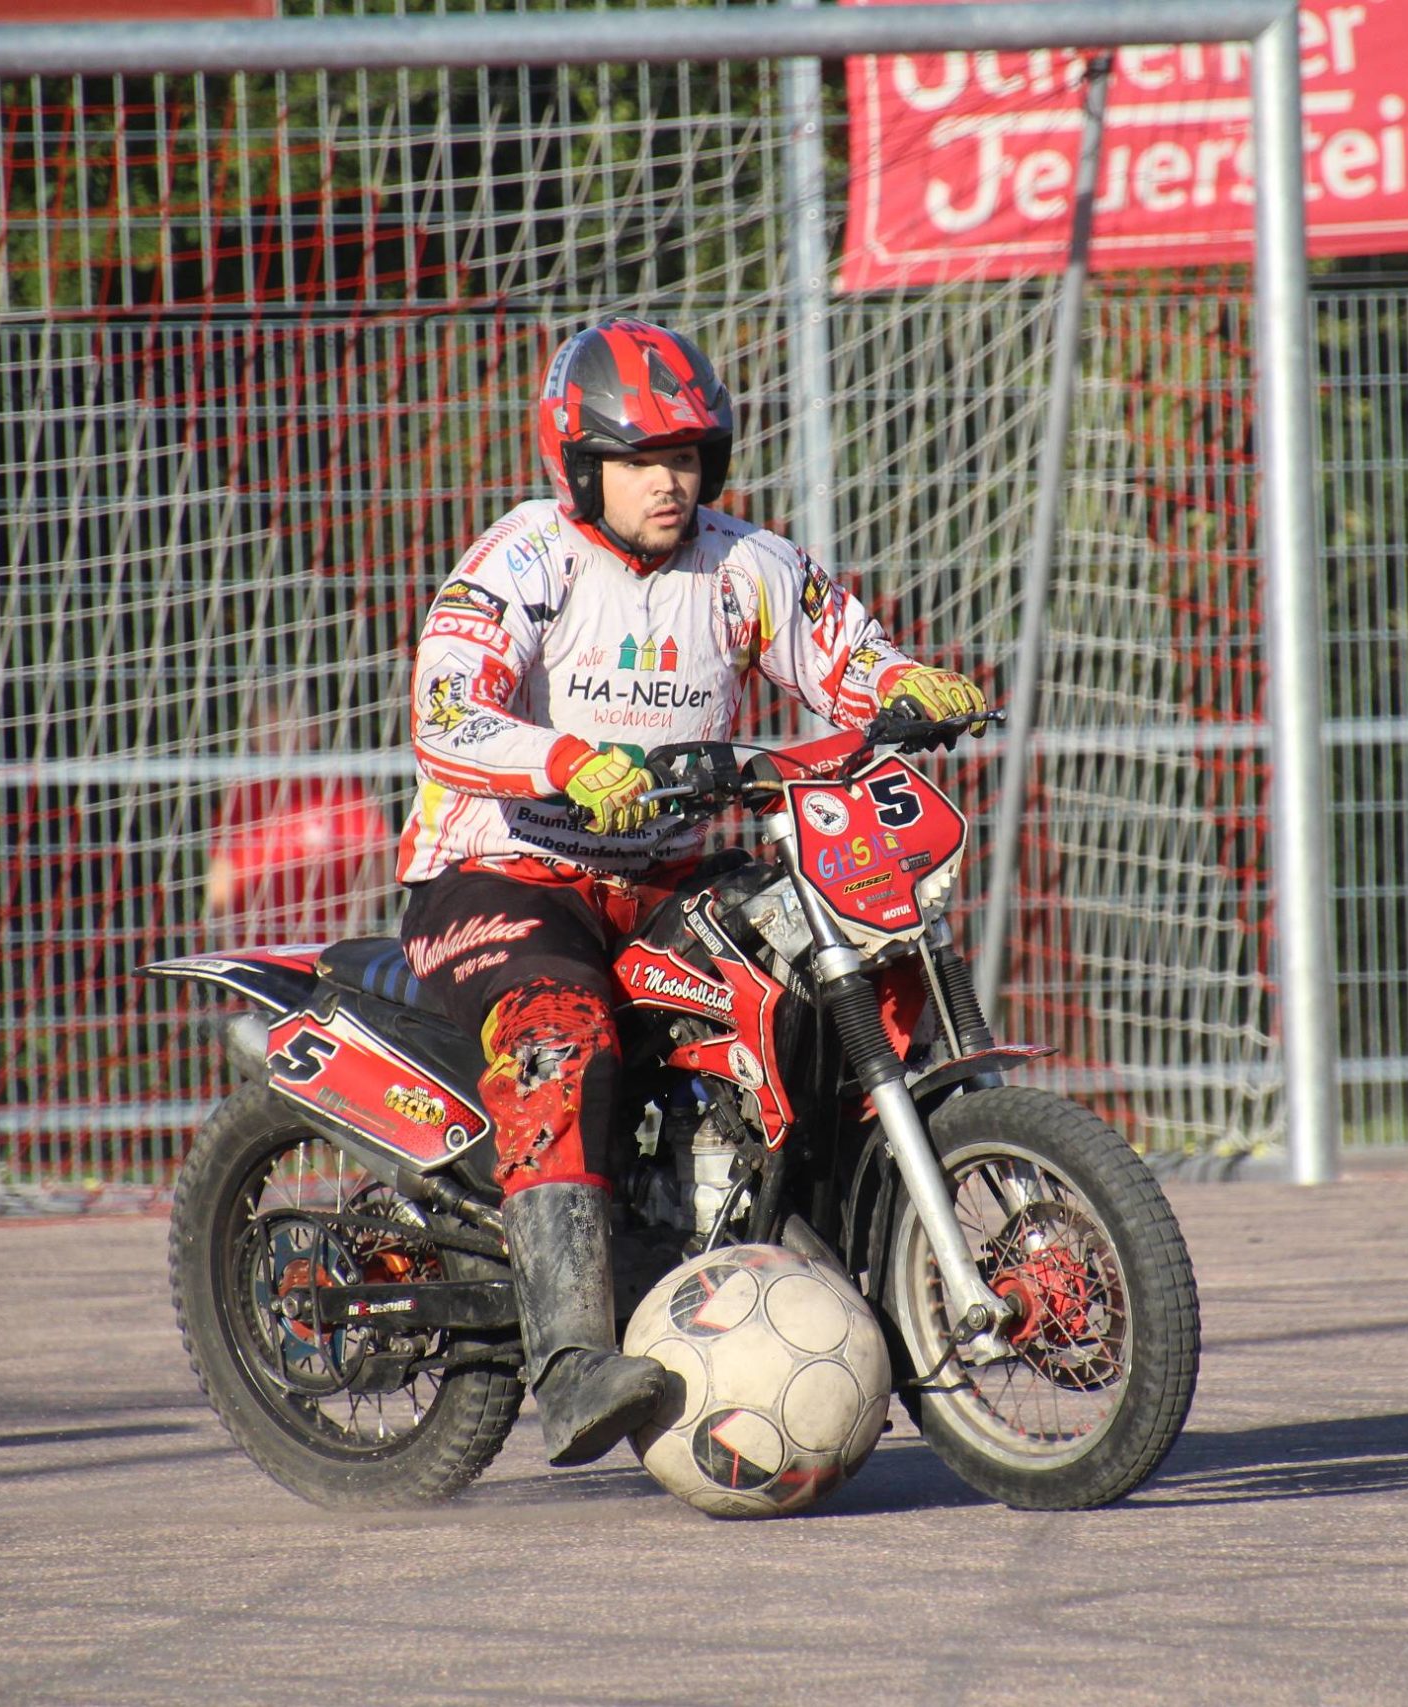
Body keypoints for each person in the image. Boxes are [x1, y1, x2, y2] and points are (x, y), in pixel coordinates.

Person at [396, 319, 986, 1467]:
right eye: (642, 458)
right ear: (579, 461)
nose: (672, 481)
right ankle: (570, 1360)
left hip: (664, 873)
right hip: (502, 873)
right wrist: (564, 759)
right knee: (559, 1036)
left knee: (818, 971)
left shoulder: (743, 564)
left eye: (689, 456)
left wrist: (905, 681)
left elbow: (843, 658)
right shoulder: (519, 563)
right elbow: (447, 713)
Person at [205, 687, 393, 946]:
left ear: (313, 731)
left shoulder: (338, 787)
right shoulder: (243, 792)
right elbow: (222, 868)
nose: (273, 742)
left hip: (322, 946)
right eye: (265, 732)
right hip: (254, 946)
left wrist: (351, 928)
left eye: (280, 731)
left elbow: (380, 859)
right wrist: (226, 943)